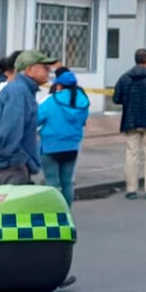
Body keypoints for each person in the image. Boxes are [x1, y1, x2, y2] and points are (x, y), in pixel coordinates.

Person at [0, 50, 57, 186]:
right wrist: (21, 163)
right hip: (9, 170)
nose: (49, 71)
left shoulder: (22, 90)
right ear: (29, 69)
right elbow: (8, 135)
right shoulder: (19, 92)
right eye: (45, 67)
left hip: (9, 167)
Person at [113, 48, 146, 200]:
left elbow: (116, 98)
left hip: (131, 120)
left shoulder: (125, 78)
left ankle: (131, 189)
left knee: (131, 154)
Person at [38, 68, 90, 206]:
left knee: (52, 183)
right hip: (72, 146)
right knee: (67, 182)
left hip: (50, 146)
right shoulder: (82, 101)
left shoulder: (51, 101)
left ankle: (55, 215)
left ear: (59, 85)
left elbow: (36, 119)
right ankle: (67, 214)